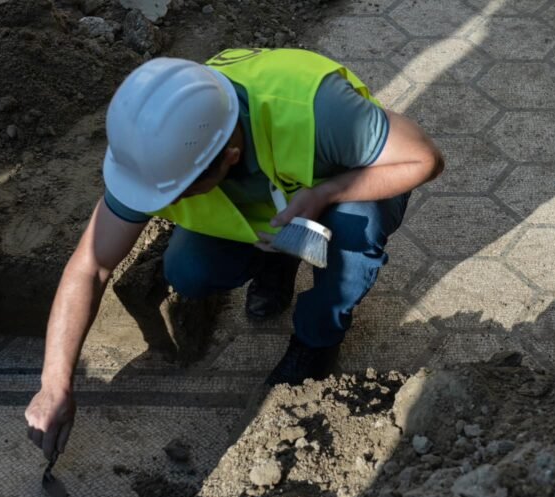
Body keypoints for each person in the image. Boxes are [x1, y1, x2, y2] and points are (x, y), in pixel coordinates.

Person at [25, 47, 444, 459]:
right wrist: (54, 384)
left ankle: (316, 341)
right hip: (276, 206)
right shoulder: (153, 155)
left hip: (346, 180)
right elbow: (90, 266)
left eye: (178, 193)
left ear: (230, 158)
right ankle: (279, 258)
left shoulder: (319, 113)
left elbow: (424, 159)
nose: (161, 202)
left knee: (358, 225)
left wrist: (326, 193)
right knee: (188, 271)